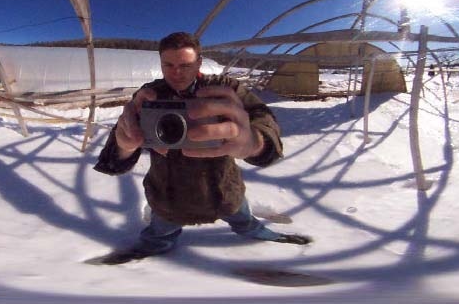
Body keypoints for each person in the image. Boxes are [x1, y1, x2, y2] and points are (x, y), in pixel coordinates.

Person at [93, 32, 310, 264]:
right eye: (169, 64)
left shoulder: (224, 89)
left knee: (245, 222)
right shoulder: (149, 95)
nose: (177, 72)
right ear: (160, 63)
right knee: (159, 235)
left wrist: (255, 142)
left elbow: (262, 116)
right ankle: (141, 256)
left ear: (199, 62)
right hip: (169, 196)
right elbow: (124, 133)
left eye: (185, 65)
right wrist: (124, 147)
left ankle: (266, 236)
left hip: (224, 190)